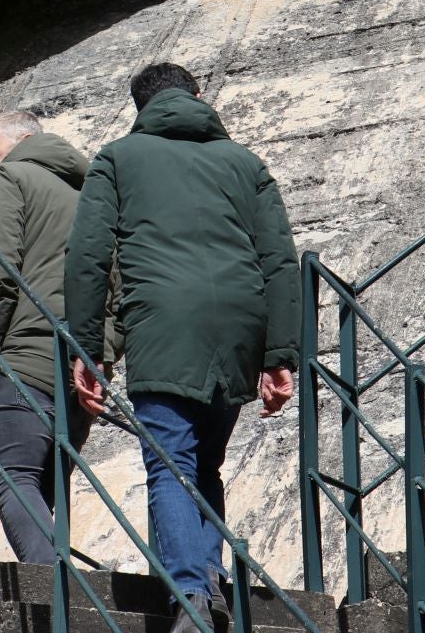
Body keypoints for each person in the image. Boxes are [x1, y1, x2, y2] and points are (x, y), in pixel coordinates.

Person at [65, 63, 299, 633]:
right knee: (206, 464)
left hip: (163, 320)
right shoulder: (246, 163)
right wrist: (281, 354)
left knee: (169, 462)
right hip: (242, 323)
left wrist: (87, 347)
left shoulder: (118, 158)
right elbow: (279, 261)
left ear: (139, 107)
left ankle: (190, 598)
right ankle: (212, 580)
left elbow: (89, 257)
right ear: (199, 96)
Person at [0, 109, 100, 562]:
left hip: (22, 353)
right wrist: (101, 353)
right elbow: (121, 288)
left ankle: (56, 591)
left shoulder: (7, 179)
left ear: (22, 141)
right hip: (81, 366)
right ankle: (65, 591)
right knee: (45, 488)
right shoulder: (93, 195)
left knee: (12, 480)